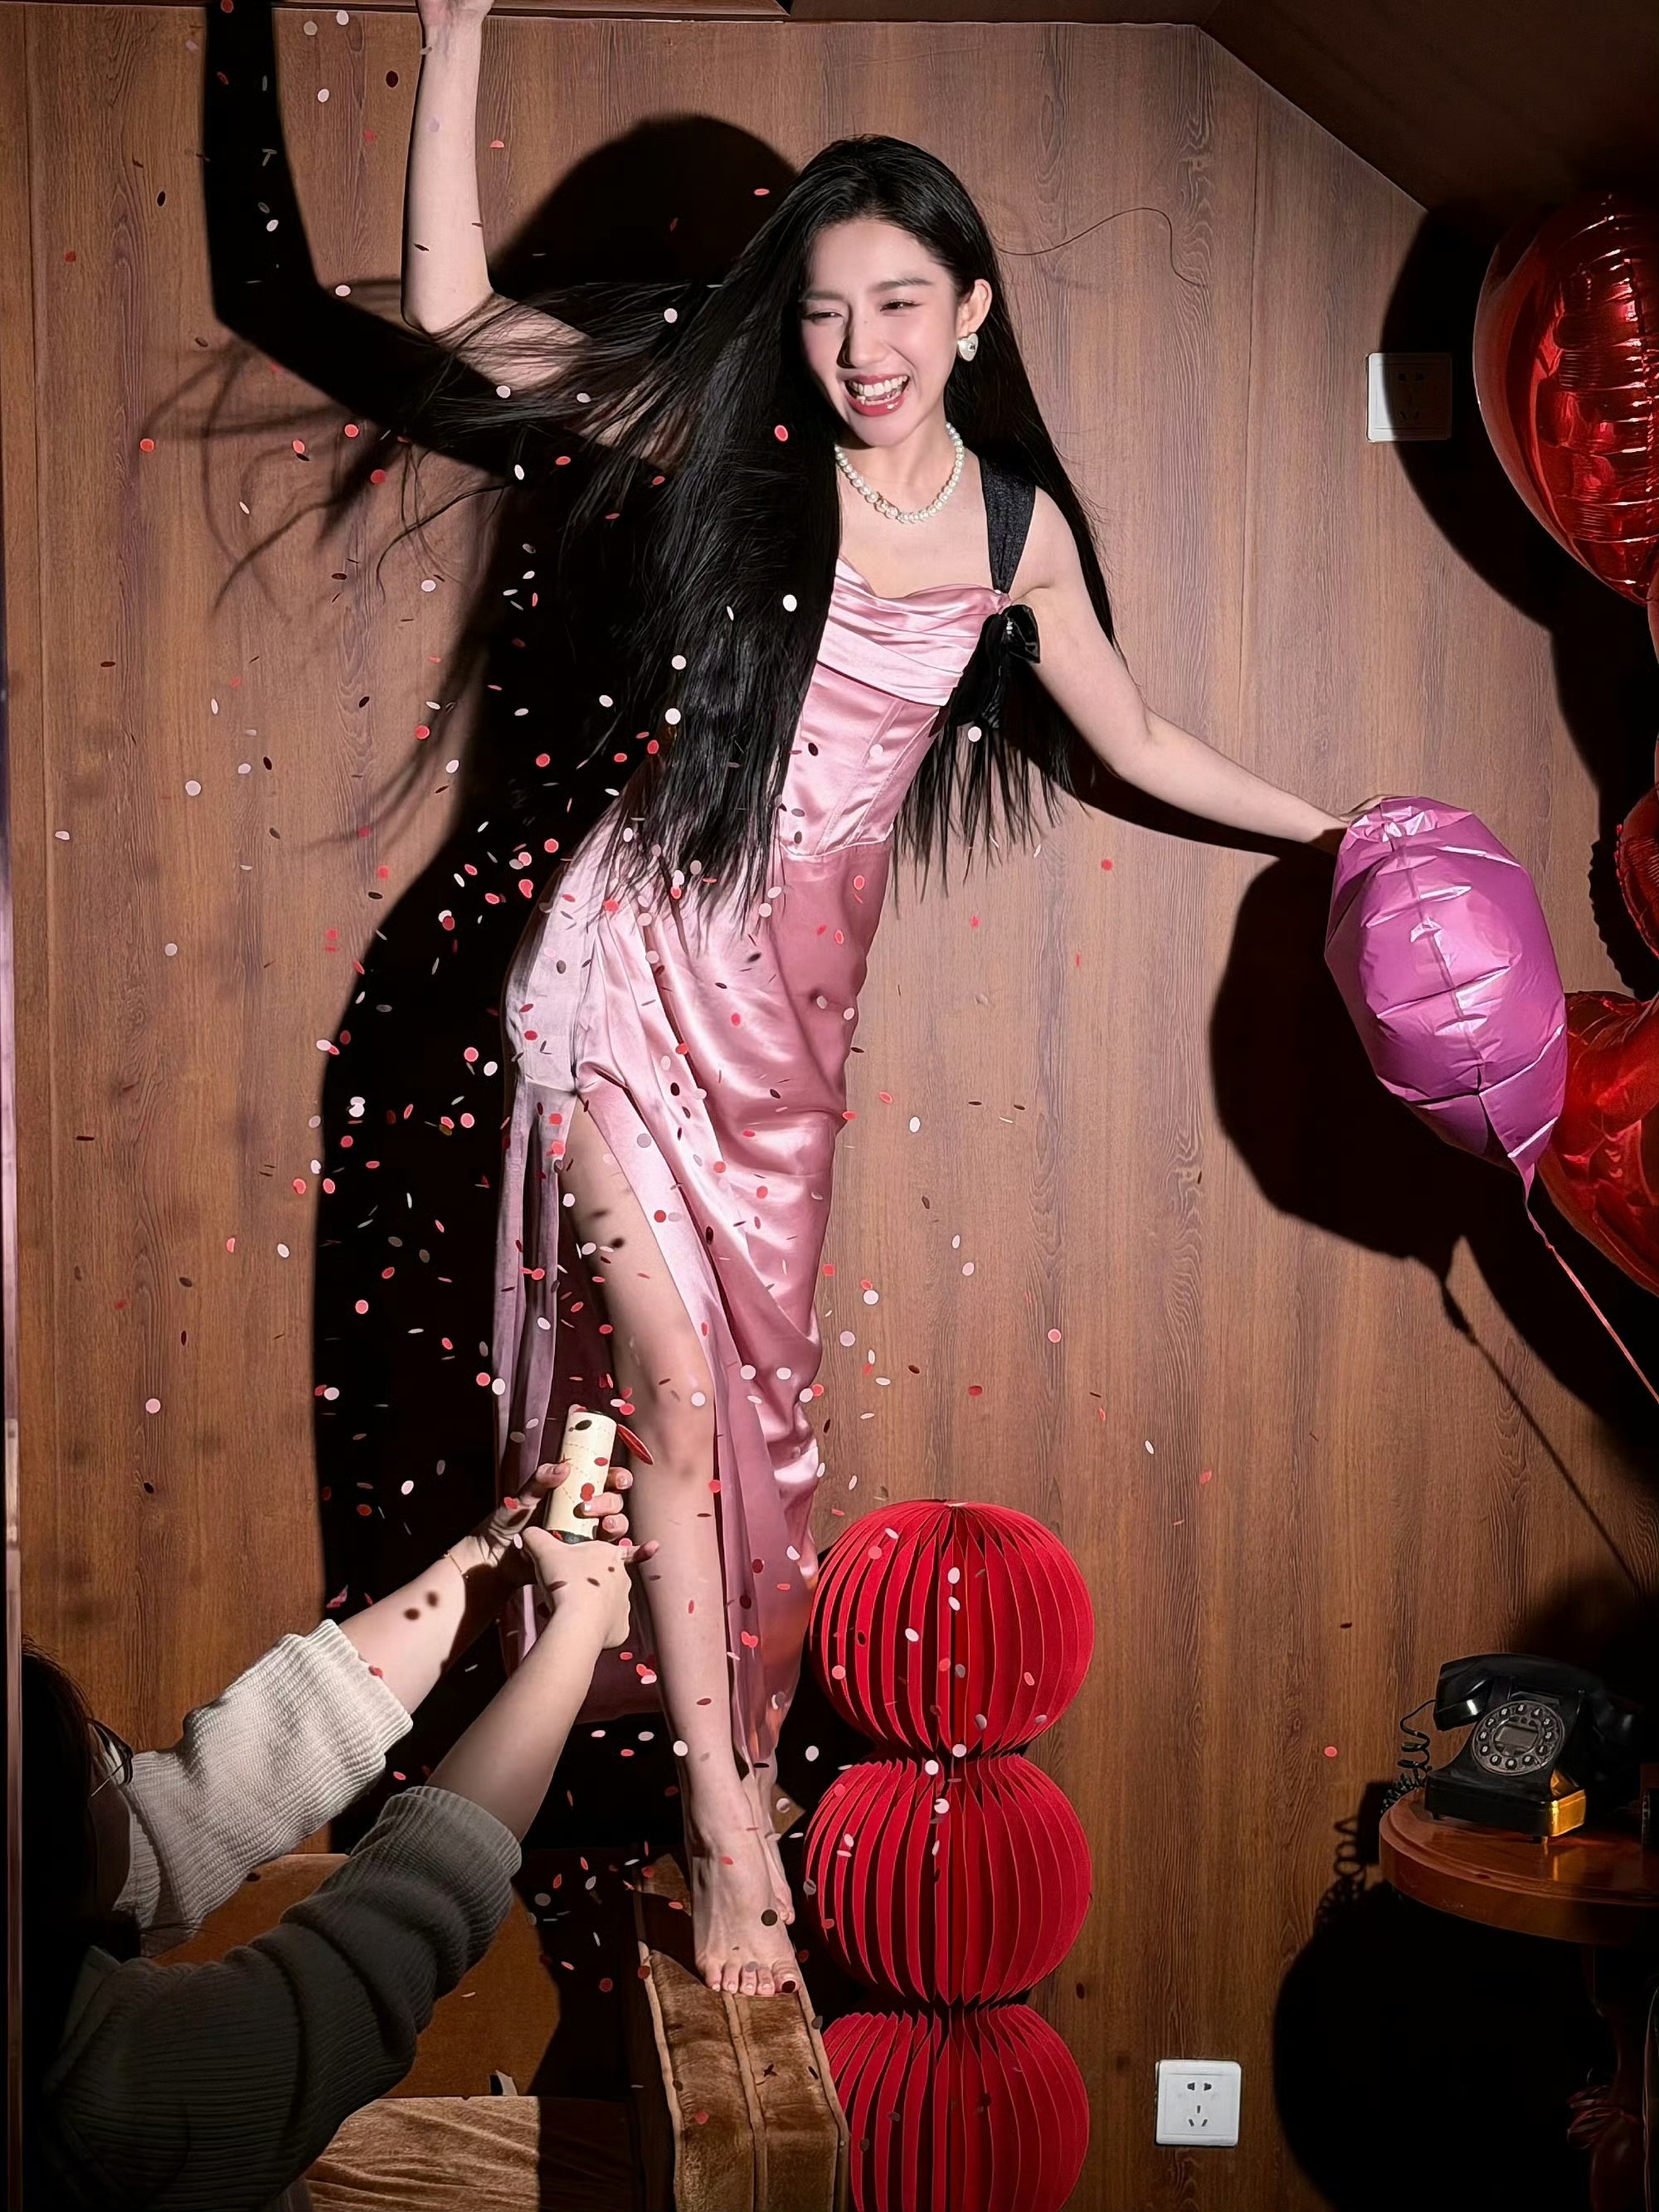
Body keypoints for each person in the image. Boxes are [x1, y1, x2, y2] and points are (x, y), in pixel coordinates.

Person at [397, 0, 1382, 1999]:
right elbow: (449, 316)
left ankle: (724, 1760)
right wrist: (454, 26)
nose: (860, 346)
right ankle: (722, 1824)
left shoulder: (1014, 532)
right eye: (829, 310)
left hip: (787, 1047)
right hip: (621, 980)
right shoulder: (731, 451)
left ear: (970, 313)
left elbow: (1132, 738)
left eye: (899, 305)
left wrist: (1345, 833)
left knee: (757, 1430)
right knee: (677, 1400)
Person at [23, 1462, 654, 2212]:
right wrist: (577, 1631)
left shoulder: (39, 1944)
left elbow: (229, 1780)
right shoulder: (114, 2100)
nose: (128, 1777)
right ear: (52, 1845)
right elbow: (410, 1905)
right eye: (107, 1763)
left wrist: (486, 1559)